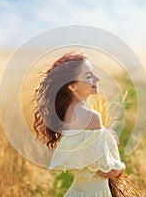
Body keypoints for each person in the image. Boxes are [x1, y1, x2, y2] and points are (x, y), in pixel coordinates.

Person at [33, 51, 126, 196]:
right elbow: (105, 171)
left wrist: (108, 139)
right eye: (89, 76)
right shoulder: (91, 117)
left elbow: (87, 156)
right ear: (72, 86)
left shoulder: (66, 115)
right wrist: (122, 167)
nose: (97, 78)